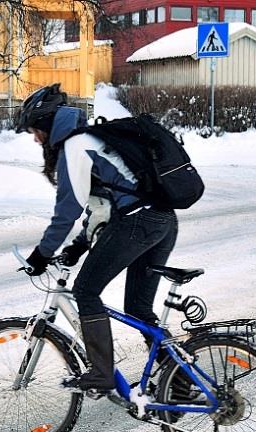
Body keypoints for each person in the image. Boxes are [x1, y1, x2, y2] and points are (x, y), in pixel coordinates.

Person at [18, 84, 178, 396]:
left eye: (36, 131)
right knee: (138, 308)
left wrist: (42, 254)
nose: (36, 138)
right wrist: (80, 244)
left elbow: (67, 209)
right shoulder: (91, 139)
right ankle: (181, 380)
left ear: (48, 125)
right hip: (162, 220)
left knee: (86, 291)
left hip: (138, 222)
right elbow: (103, 204)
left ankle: (101, 374)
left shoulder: (75, 146)